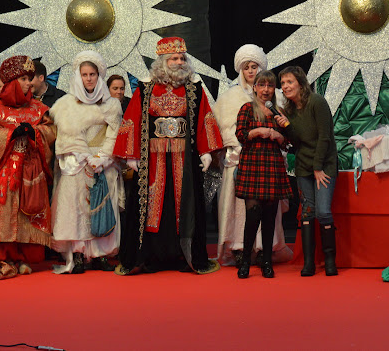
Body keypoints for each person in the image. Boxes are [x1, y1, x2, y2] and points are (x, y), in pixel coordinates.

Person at [113, 37, 223, 275]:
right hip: (153, 160)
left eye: (182, 58)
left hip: (185, 159)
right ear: (162, 61)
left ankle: (185, 256)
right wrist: (132, 154)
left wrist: (205, 151)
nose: (179, 62)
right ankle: (149, 256)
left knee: (184, 206)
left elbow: (205, 120)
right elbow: (132, 119)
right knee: (152, 205)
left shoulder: (195, 89)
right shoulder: (145, 89)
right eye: (174, 58)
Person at [0, 56, 56, 279]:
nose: (30, 83)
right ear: (12, 82)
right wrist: (10, 135)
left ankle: (25, 258)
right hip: (2, 173)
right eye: (25, 79)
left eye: (30, 78)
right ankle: (3, 257)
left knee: (27, 214)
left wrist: (35, 132)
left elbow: (51, 132)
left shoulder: (40, 108)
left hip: (30, 173)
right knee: (3, 213)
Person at [212, 44, 292, 268]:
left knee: (266, 211)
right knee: (241, 210)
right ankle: (239, 249)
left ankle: (265, 251)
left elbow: (287, 132)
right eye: (246, 67)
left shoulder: (276, 100)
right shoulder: (231, 97)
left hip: (268, 161)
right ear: (241, 70)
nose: (250, 71)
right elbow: (225, 128)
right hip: (239, 160)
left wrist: (278, 136)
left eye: (254, 66)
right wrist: (238, 142)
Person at [49, 51, 124, 274]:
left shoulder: (111, 105)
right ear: (78, 76)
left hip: (103, 162)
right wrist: (82, 156)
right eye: (84, 74)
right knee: (77, 210)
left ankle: (100, 255)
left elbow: (115, 134)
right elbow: (64, 137)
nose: (89, 78)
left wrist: (100, 159)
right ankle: (79, 256)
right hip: (76, 161)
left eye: (92, 74)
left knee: (101, 207)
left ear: (99, 75)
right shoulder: (65, 105)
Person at [275, 66, 339, 276]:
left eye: (289, 82)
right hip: (303, 167)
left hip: (323, 164)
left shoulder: (317, 102)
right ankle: (309, 263)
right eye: (283, 83)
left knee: (323, 211)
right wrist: (286, 126)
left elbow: (325, 137)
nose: (285, 86)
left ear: (300, 83)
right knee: (308, 212)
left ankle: (330, 261)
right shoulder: (290, 111)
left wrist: (318, 168)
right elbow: (296, 141)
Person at [234, 70, 293, 278]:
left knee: (269, 217)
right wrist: (258, 131)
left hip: (272, 166)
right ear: (255, 87)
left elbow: (289, 142)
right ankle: (246, 263)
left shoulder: (278, 110)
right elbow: (240, 134)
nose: (266, 90)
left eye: (270, 86)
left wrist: (278, 136)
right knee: (253, 215)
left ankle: (267, 261)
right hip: (252, 165)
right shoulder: (247, 109)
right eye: (262, 85)